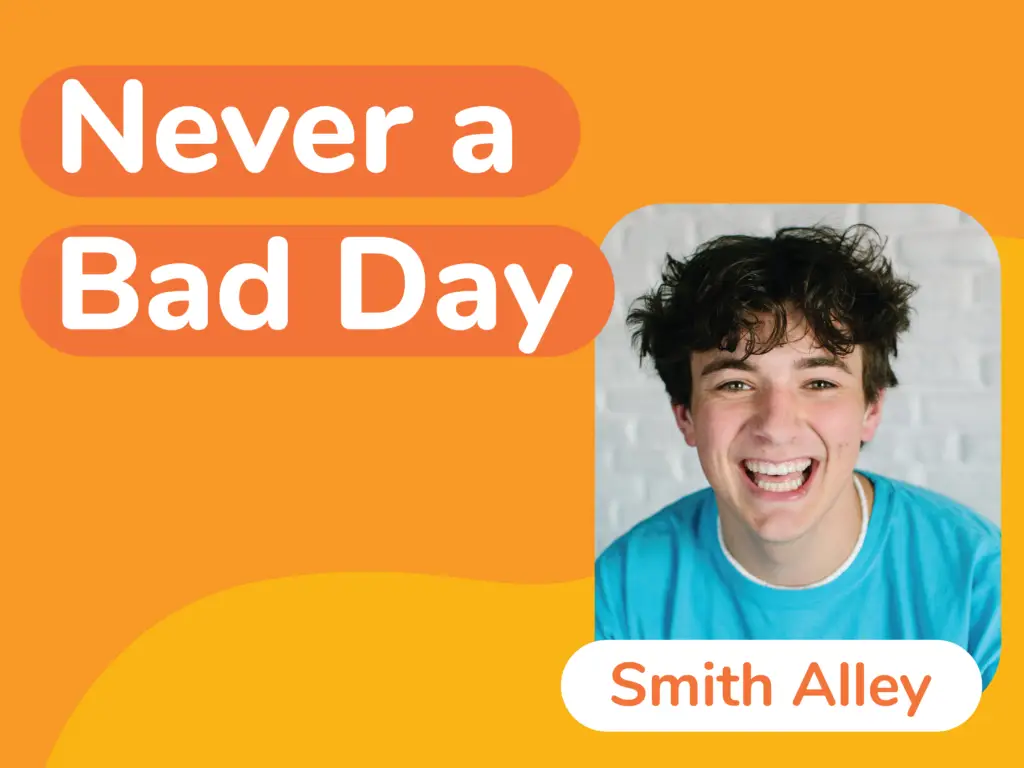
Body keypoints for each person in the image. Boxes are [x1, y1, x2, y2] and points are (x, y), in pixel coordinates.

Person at [594, 223, 1002, 690]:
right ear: (685, 416)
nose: (776, 426)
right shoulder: (618, 595)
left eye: (820, 383)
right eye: (735, 384)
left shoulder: (985, 589)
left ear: (871, 409)